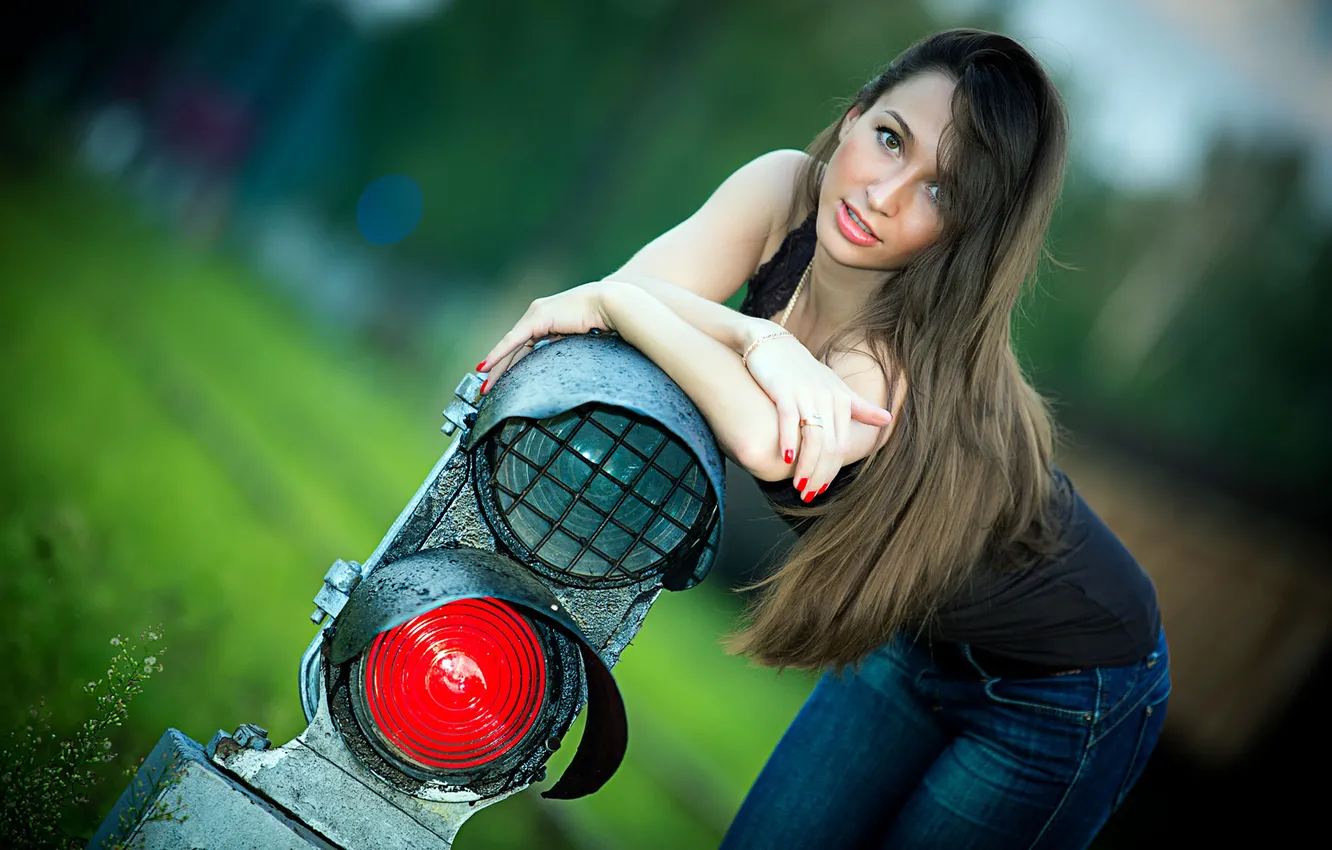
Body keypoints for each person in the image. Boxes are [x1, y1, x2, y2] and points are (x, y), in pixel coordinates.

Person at [478, 28, 1168, 850]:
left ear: (964, 234)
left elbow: (769, 437)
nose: (884, 195)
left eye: (940, 193)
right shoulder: (783, 193)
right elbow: (623, 302)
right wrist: (759, 339)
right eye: (889, 139)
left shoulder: (895, 358)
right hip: (915, 636)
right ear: (854, 115)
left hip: (1066, 686)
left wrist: (639, 309)